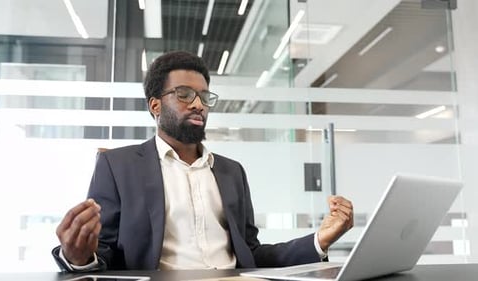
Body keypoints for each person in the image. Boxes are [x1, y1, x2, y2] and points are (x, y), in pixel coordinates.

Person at [52, 50, 354, 272]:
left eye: (204, 96)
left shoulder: (231, 171)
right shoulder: (118, 166)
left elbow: (251, 253)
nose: (198, 104)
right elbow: (100, 251)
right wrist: (79, 256)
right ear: (155, 105)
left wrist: (319, 240)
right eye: (184, 95)